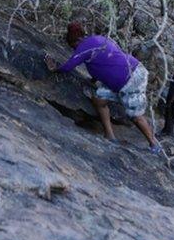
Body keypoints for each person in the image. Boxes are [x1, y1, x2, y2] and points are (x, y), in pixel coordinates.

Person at [45, 22, 161, 153]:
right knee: (99, 99)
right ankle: (110, 135)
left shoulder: (83, 47)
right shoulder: (99, 38)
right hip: (127, 75)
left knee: (135, 115)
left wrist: (55, 69)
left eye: (73, 46)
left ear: (76, 41)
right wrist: (94, 79)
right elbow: (105, 61)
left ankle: (154, 144)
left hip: (132, 77)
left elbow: (68, 67)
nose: (74, 49)